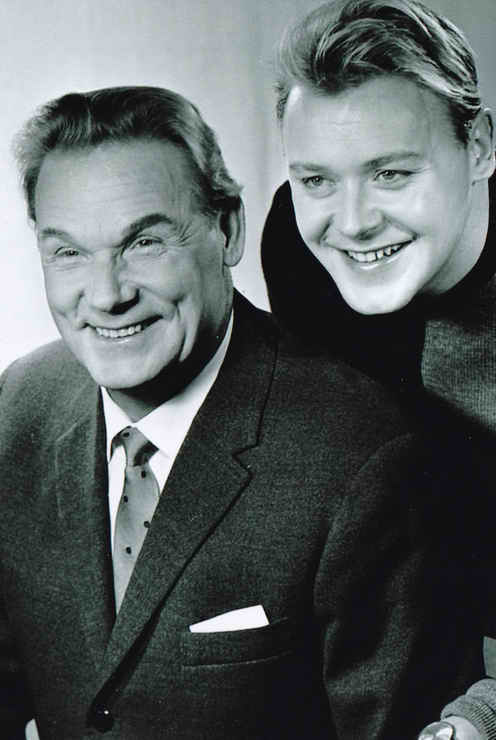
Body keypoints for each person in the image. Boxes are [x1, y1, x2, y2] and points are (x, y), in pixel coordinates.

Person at [0, 85, 482, 739]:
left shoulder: (365, 459)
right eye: (69, 252)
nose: (106, 295)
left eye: (145, 242)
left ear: (227, 228)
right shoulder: (20, 405)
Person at [261, 1, 496, 738]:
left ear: (480, 146)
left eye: (391, 173)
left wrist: (483, 712)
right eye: (317, 181)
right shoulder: (299, 250)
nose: (353, 221)